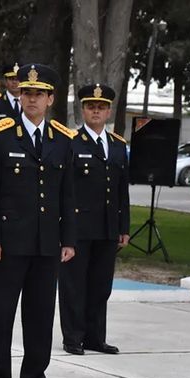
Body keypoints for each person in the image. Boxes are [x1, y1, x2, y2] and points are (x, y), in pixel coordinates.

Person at [0, 63, 76, 378]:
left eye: (38, 94)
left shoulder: (62, 139)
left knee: (40, 316)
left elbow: (68, 194)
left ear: (51, 99)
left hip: (46, 243)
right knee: (1, 314)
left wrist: (69, 239)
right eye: (26, 93)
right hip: (9, 243)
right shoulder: (0, 134)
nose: (31, 99)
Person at [58, 84, 129, 356]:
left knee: (101, 286)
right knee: (74, 285)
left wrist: (123, 227)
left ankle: (95, 337)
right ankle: (73, 337)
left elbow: (122, 191)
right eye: (91, 107)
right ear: (83, 110)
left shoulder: (118, 145)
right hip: (79, 227)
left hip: (107, 227)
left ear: (109, 111)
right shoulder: (71, 143)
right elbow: (64, 189)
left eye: (101, 107)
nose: (96, 111)